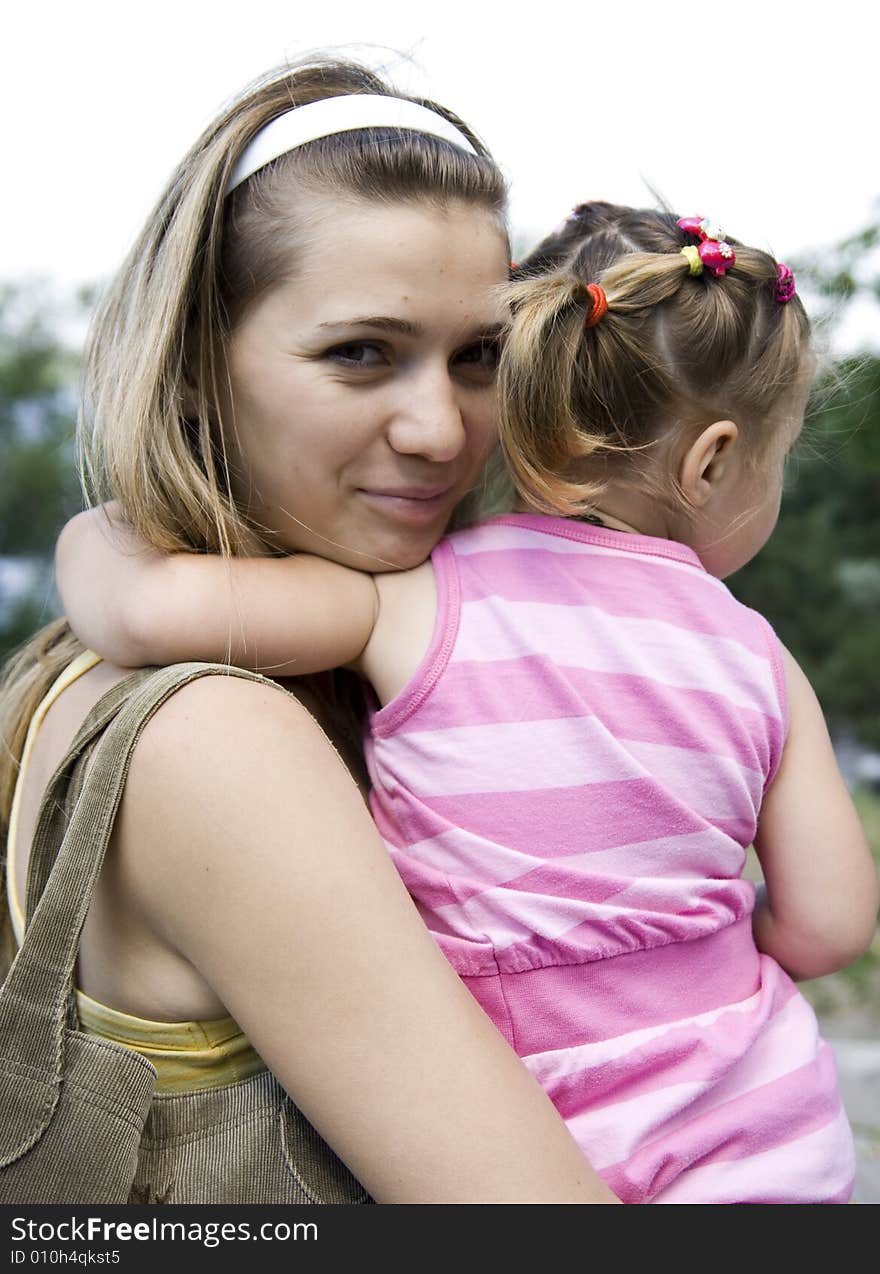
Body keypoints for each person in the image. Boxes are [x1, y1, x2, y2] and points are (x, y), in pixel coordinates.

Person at [58, 203, 879, 1204]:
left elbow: (150, 608)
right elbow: (830, 922)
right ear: (711, 459)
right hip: (760, 1145)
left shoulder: (412, 601)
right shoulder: (757, 654)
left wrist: (94, 533)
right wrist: (686, 938)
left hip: (522, 1123)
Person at [0, 58, 622, 1204]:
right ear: (195, 366)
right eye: (360, 353)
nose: (441, 428)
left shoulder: (105, 648)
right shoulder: (221, 734)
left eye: (477, 356)